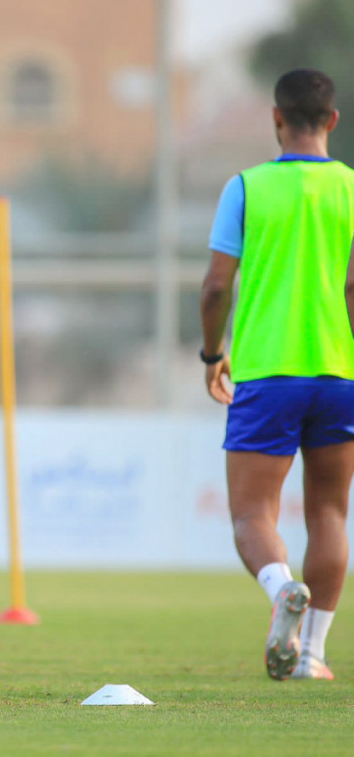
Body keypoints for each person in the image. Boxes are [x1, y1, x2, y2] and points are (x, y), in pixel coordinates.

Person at [200, 68, 354, 681]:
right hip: (339, 372)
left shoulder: (246, 187)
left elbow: (217, 287)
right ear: (332, 120)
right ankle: (311, 653)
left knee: (251, 514)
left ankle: (281, 588)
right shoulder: (351, 187)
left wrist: (211, 354)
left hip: (266, 372)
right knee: (330, 513)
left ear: (276, 118)